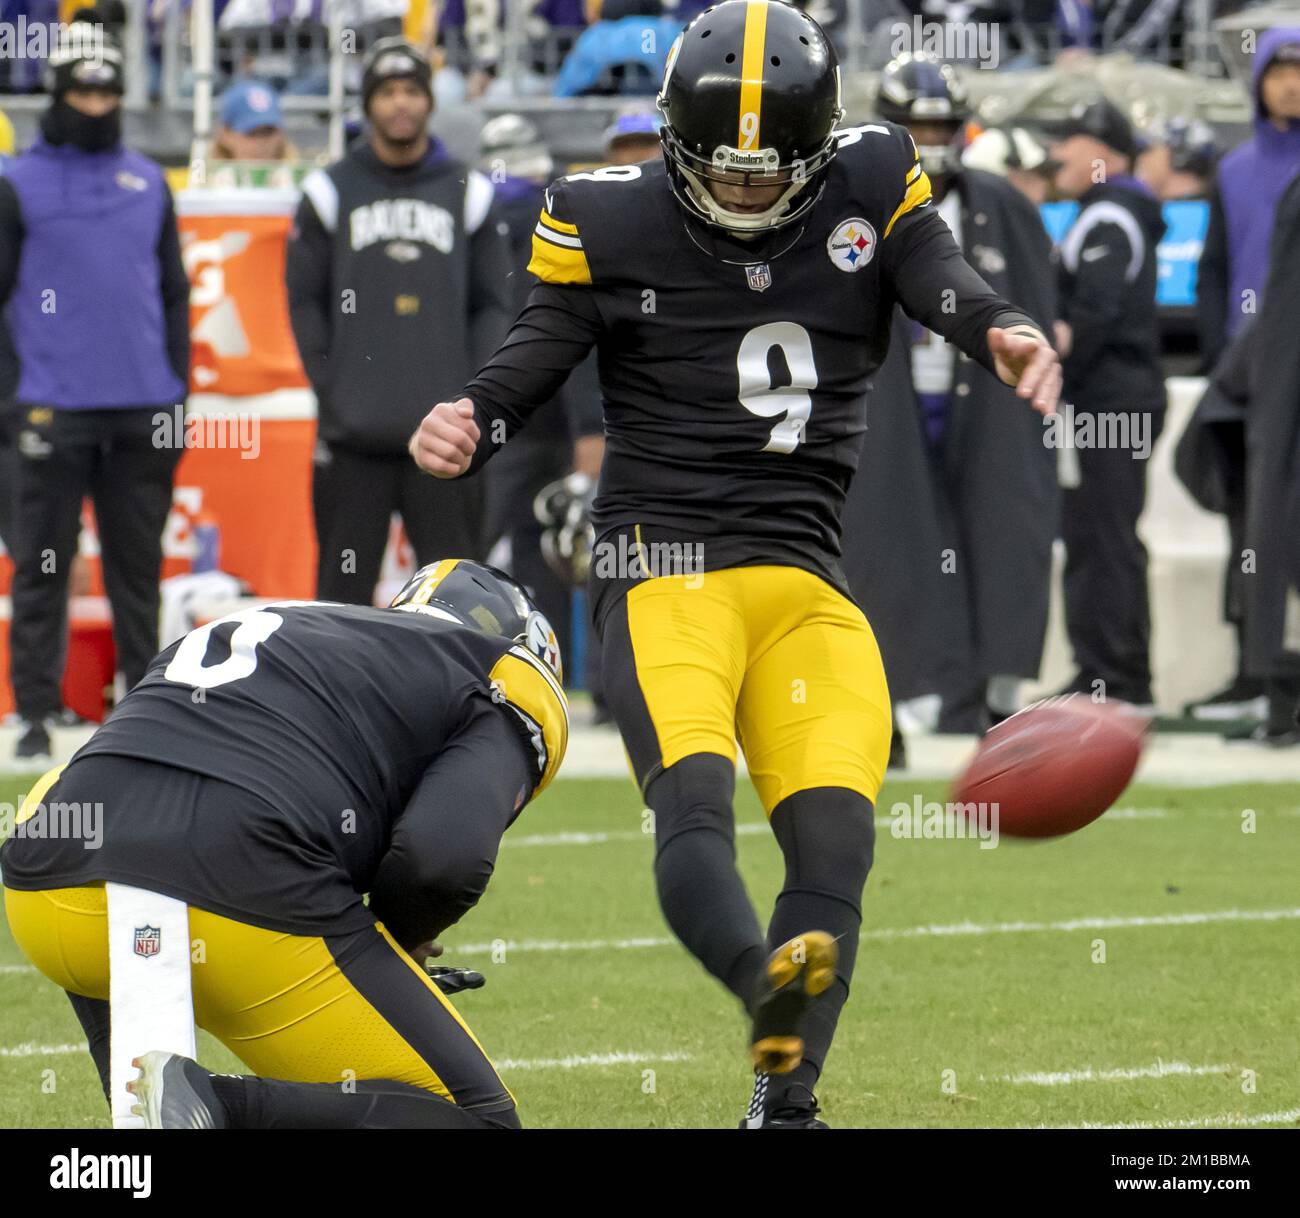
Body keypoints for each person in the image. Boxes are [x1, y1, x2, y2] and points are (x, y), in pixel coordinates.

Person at [410, 0, 1060, 1127]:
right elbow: (534, 351)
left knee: (837, 843)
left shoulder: (874, 176)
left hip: (805, 580)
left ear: (820, 150)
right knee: (696, 810)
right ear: (671, 138)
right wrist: (472, 413)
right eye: (725, 170)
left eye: (773, 173)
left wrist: (997, 326)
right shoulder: (603, 216)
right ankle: (766, 989)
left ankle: (785, 1100)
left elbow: (938, 272)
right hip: (668, 573)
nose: (749, 191)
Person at [1, 560, 568, 1129]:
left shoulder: (283, 623)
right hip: (229, 874)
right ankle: (220, 1105)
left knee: (155, 1115)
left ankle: (159, 1124)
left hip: (50, 874)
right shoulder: (491, 671)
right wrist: (400, 938)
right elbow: (441, 860)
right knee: (483, 1120)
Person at [841, 53, 1058, 737]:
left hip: (985, 393)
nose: (928, 139)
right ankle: (899, 695)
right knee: (888, 536)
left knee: (1001, 532)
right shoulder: (848, 210)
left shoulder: (1003, 208)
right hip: (890, 395)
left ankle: (990, 693)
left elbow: (1037, 307)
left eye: (939, 125)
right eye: (912, 125)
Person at [0, 16, 189, 761]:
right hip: (50, 405)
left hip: (143, 407)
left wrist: (177, 393)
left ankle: (142, 714)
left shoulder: (148, 181)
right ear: (57, 89)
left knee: (135, 570)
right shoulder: (16, 181)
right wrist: (12, 401)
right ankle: (36, 713)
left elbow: (174, 294)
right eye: (83, 86)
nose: (96, 99)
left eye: (108, 86)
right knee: (42, 564)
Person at [287, 37, 512, 606]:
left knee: (457, 603)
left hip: (446, 439)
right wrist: (335, 391)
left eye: (412, 90)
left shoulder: (470, 192)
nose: (400, 104)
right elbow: (304, 303)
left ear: (430, 101)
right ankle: (338, 700)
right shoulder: (328, 191)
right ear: (368, 105)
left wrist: (473, 398)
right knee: (341, 603)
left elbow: (494, 304)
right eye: (386, 92)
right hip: (352, 440)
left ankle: (459, 700)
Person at [1046, 97, 1166, 709]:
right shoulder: (1113, 214)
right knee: (1101, 534)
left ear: (1103, 152)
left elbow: (1092, 316)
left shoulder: (1109, 217)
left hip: (1111, 403)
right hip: (1115, 399)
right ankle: (1107, 672)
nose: (1056, 154)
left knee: (1105, 536)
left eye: (1068, 139)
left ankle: (1115, 678)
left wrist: (1044, 348)